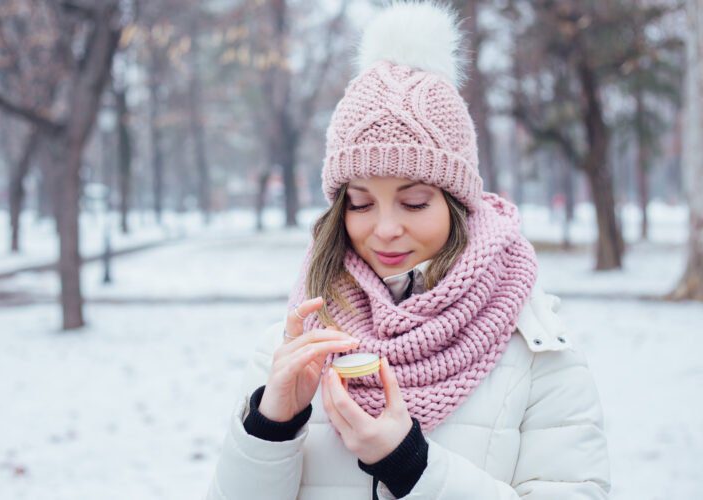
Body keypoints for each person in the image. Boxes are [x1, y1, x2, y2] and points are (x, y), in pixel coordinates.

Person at [207, 3, 611, 499]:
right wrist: (272, 426)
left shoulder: (535, 349)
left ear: (457, 203)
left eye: (414, 201)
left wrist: (413, 467)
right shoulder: (298, 339)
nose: (385, 229)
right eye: (360, 203)